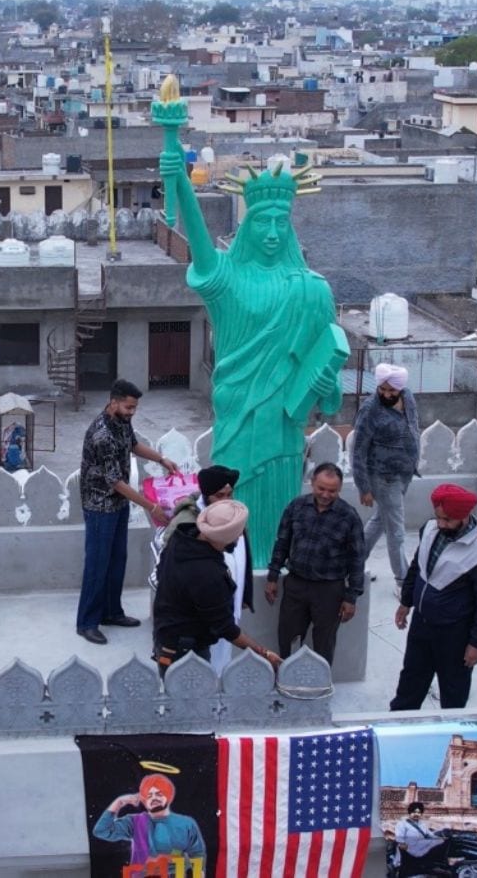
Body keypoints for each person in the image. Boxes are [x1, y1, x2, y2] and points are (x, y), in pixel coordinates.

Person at [157, 99, 349, 573]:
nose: (269, 231)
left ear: (290, 229)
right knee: (230, 494)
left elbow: (330, 378)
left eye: (279, 223)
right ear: (246, 225)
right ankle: (231, 574)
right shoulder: (229, 280)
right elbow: (200, 250)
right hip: (237, 414)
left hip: (284, 423)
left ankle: (268, 568)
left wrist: (327, 387)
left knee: (277, 503)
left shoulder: (311, 289)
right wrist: (179, 179)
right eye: (260, 221)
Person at [77, 379, 180, 645]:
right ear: (113, 402)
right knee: (97, 564)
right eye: (128, 407)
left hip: (118, 503)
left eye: (135, 408)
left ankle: (112, 612)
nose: (132, 412)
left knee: (117, 560)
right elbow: (116, 482)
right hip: (100, 505)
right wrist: (152, 507)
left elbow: (133, 445)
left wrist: (161, 458)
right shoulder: (101, 435)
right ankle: (87, 622)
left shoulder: (121, 422)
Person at [390, 484, 477, 711]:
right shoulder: (430, 529)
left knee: (453, 691)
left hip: (455, 635)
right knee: (410, 682)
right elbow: (417, 567)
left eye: (448, 520)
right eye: (439, 517)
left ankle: (452, 737)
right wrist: (406, 602)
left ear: (465, 516)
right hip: (421, 626)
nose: (441, 524)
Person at [153, 499, 282, 675]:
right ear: (226, 535)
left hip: (165, 635)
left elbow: (161, 573)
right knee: (192, 699)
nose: (238, 537)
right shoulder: (208, 573)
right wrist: (263, 653)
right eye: (237, 533)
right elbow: (225, 627)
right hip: (185, 649)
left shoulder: (181, 538)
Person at [266, 463, 366, 666]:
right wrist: (272, 576)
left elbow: (357, 559)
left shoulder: (349, 516)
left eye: (332, 491)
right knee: (288, 637)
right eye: (321, 488)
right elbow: (282, 542)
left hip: (329, 590)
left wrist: (351, 597)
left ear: (339, 489)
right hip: (296, 584)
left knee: (324, 643)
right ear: (312, 484)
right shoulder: (296, 506)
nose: (326, 494)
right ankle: (286, 683)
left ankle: (319, 689)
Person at [158, 465, 252, 671]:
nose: (226, 500)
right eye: (220, 495)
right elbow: (166, 568)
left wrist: (243, 594)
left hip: (224, 602)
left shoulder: (231, 515)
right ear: (208, 495)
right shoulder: (187, 523)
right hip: (196, 618)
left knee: (222, 654)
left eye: (229, 494)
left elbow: (243, 556)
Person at [352, 362, 421, 588]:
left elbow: (414, 426)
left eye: (392, 391)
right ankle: (403, 581)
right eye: (383, 389)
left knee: (381, 521)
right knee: (397, 532)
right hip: (383, 477)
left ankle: (354, 565)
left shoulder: (408, 398)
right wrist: (364, 487)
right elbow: (358, 449)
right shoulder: (370, 409)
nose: (387, 394)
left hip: (404, 474)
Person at [92, 774, 207, 865]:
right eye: (149, 795)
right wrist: (119, 802)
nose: (154, 798)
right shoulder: (134, 822)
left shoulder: (186, 823)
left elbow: (197, 854)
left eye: (159, 794)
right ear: (144, 800)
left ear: (168, 795)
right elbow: (102, 831)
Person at [392, 802, 447, 877]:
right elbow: (399, 837)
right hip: (407, 847)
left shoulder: (422, 824)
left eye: (419, 812)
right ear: (410, 812)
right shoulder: (402, 823)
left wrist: (441, 838)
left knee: (440, 841)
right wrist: (402, 844)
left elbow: (429, 835)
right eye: (414, 812)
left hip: (420, 846)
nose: (416, 814)